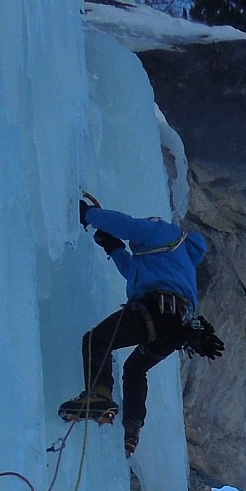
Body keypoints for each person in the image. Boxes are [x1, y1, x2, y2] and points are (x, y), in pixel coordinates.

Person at [60, 193, 224, 451]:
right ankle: (131, 430)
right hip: (175, 327)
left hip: (155, 311)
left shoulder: (163, 231)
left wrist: (88, 214)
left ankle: (99, 395)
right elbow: (131, 270)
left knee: (96, 340)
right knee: (135, 370)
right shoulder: (174, 262)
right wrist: (113, 248)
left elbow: (128, 227)